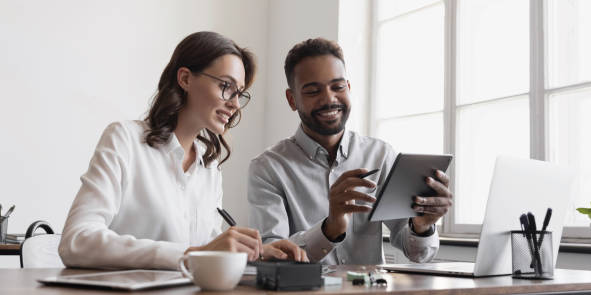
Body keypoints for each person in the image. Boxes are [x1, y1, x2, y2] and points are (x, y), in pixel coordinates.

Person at [59, 31, 307, 270]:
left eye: (239, 93)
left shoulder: (209, 166)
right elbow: (76, 241)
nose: (234, 104)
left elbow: (208, 249)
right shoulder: (124, 139)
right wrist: (190, 255)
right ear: (186, 79)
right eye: (226, 86)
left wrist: (257, 254)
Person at [248, 38, 453, 265]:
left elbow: (418, 254)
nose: (329, 99)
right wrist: (330, 228)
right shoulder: (267, 168)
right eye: (313, 91)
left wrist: (422, 226)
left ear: (349, 87)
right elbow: (271, 255)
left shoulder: (381, 155)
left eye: (338, 87)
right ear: (292, 99)